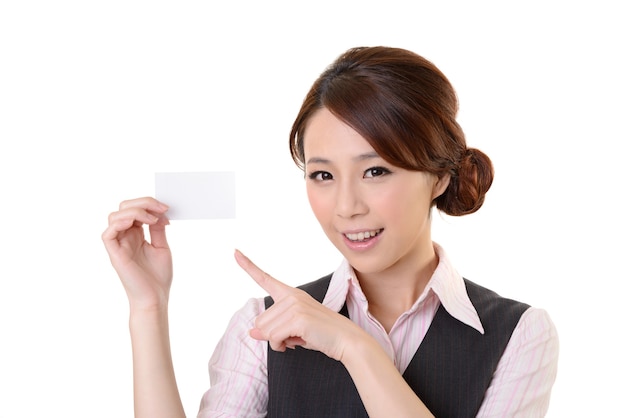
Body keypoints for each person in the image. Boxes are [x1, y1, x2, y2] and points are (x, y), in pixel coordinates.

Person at [102, 46, 559, 417]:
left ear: (438, 176)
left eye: (376, 171)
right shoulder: (261, 328)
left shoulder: (518, 334)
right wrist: (148, 307)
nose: (346, 207)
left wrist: (352, 346)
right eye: (323, 175)